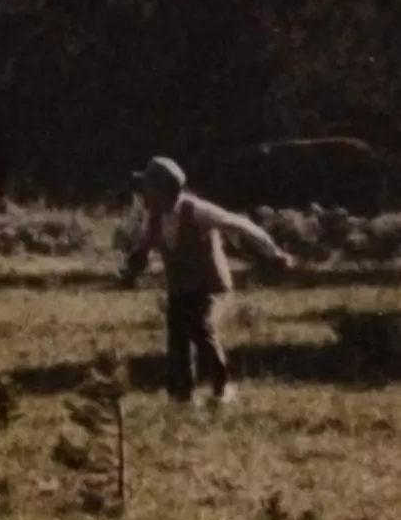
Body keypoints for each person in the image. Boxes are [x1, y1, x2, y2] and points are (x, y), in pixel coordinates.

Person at [118, 156, 296, 407]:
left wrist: (274, 253)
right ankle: (181, 396)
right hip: (180, 287)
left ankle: (223, 389)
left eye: (148, 188)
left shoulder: (198, 210)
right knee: (177, 338)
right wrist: (133, 265)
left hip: (210, 285)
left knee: (201, 328)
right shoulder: (154, 216)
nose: (143, 194)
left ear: (164, 190)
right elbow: (145, 246)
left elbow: (240, 224)